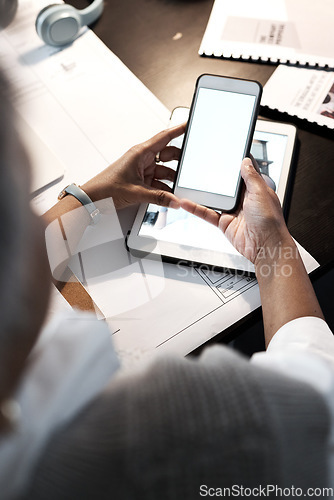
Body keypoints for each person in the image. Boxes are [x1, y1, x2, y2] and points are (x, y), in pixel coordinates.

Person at [0, 67, 333, 500]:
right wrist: (272, 246)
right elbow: (318, 405)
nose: (40, 221)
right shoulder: (152, 427)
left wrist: (90, 197)